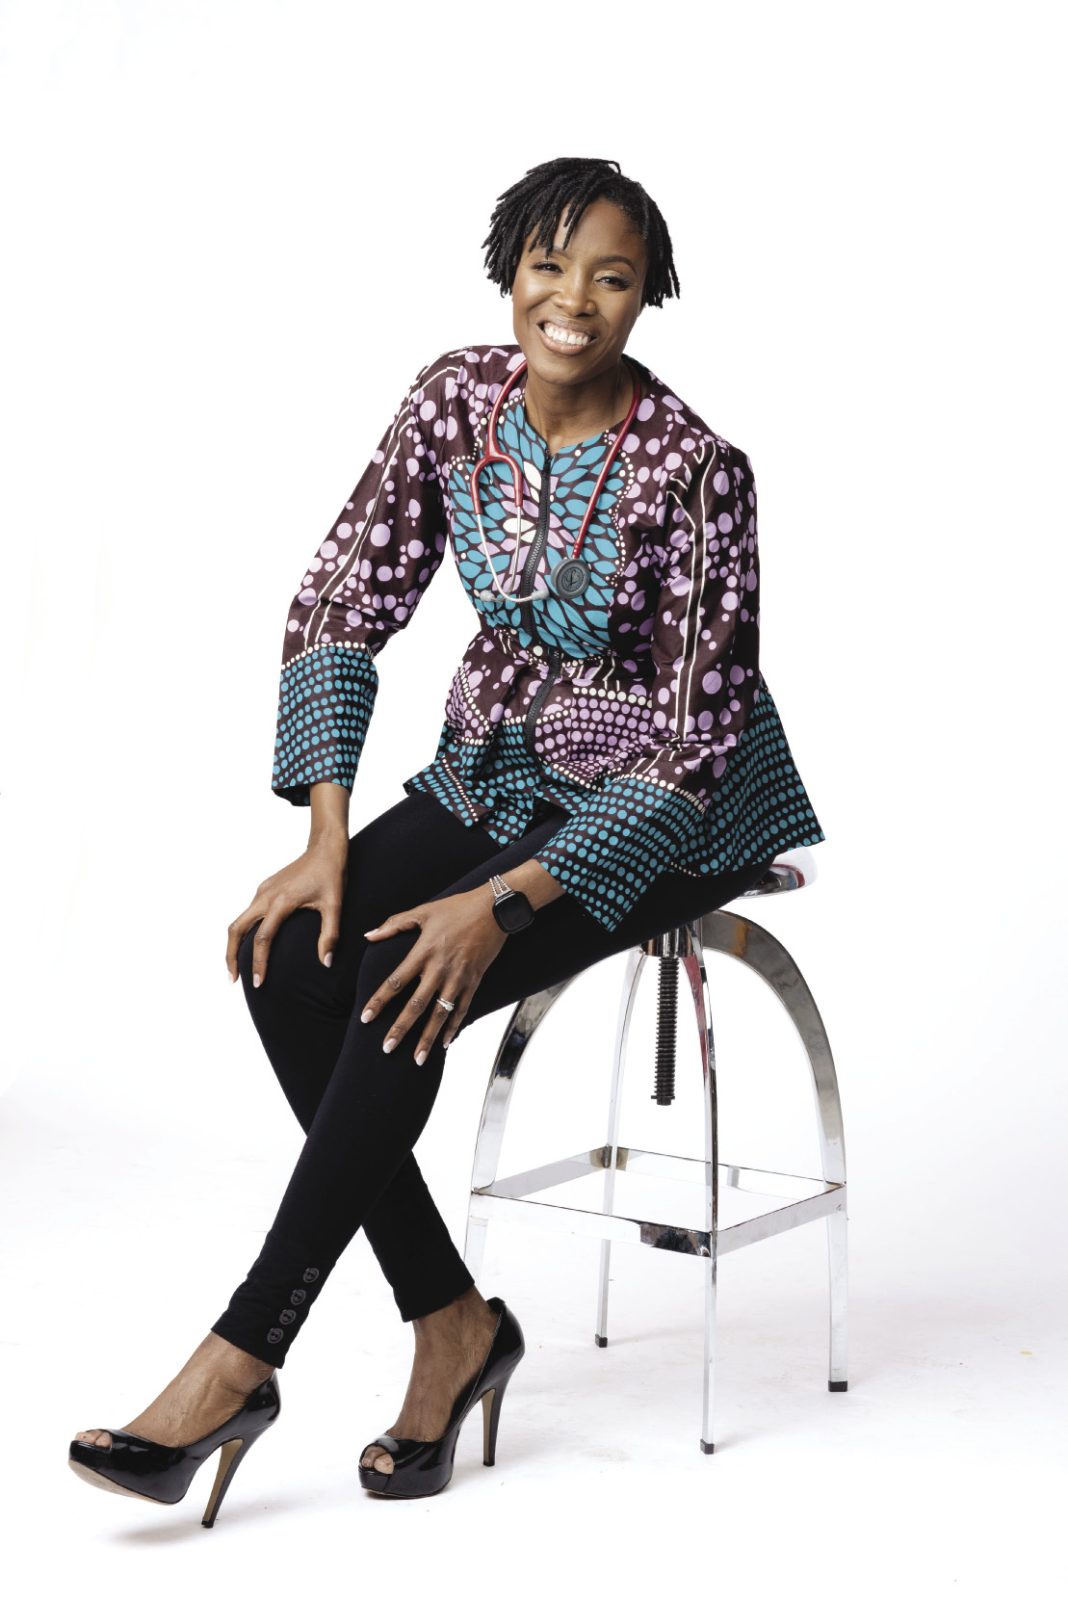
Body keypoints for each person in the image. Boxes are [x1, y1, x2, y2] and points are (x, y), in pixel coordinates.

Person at [69, 155, 825, 1512]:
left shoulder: (701, 471)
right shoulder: (452, 404)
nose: (574, 300)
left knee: (406, 985)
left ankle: (243, 1354)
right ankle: (455, 1323)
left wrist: (497, 908)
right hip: (489, 774)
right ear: (507, 274)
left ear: (651, 293)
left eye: (611, 274)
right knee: (289, 955)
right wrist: (327, 832)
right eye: (549, 267)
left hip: (667, 818)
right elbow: (343, 597)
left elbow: (691, 746)